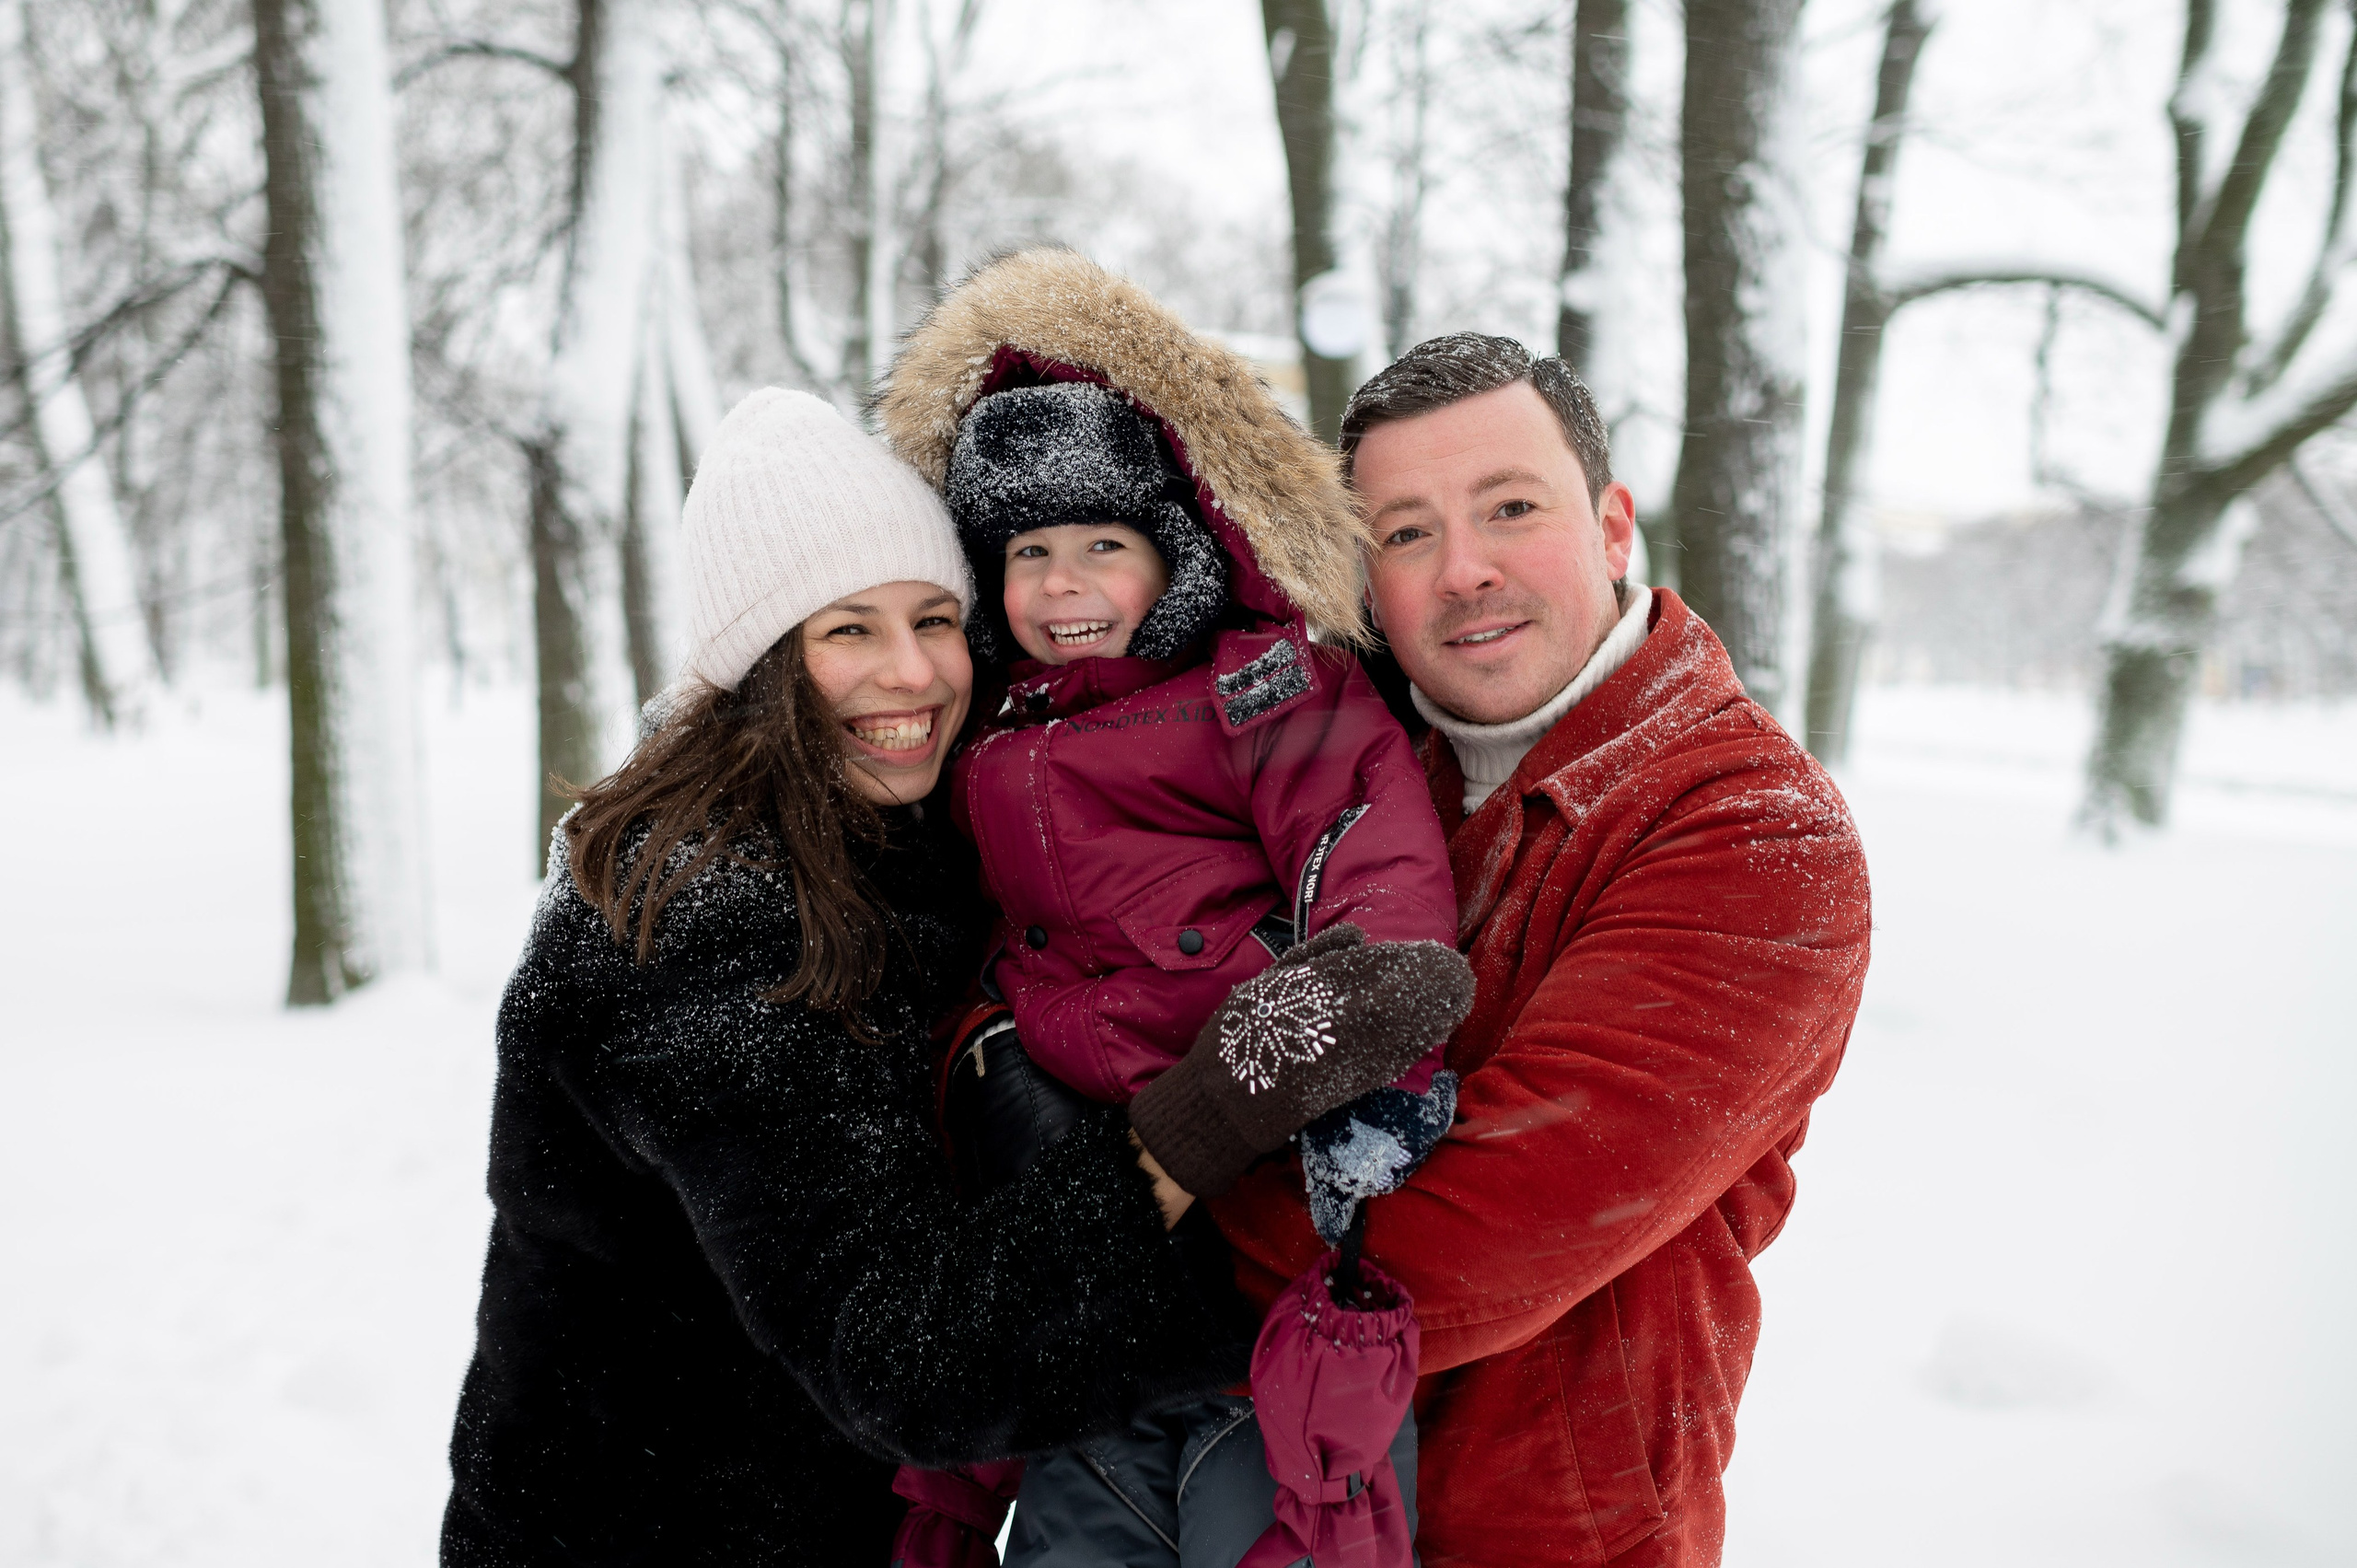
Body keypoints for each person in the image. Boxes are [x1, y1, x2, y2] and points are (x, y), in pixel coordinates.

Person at [440, 388, 1429, 1567]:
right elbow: (907, 1353)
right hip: (647, 1529)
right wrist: (1206, 1119)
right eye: (847, 629)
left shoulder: (908, 832)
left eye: (934, 617)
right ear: (759, 665)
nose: (910, 674)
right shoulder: (689, 920)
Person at [1210, 335, 1874, 1568]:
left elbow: (1464, 1242)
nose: (1465, 569)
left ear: (1613, 526)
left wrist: (1119, 1216)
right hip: (1257, 1505)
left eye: (1511, 508)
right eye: (1405, 532)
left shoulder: (1751, 828)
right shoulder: (1323, 778)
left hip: (1537, 1530)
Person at [876, 248, 1472, 1568]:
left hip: (1259, 1156)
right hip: (1087, 1228)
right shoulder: (992, 737)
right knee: (1085, 1522)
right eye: (1029, 551)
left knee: (1292, 1519)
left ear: (1179, 554)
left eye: (1103, 543)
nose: (1063, 581)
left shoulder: (1259, 686)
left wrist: (1369, 1019)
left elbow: (1361, 835)